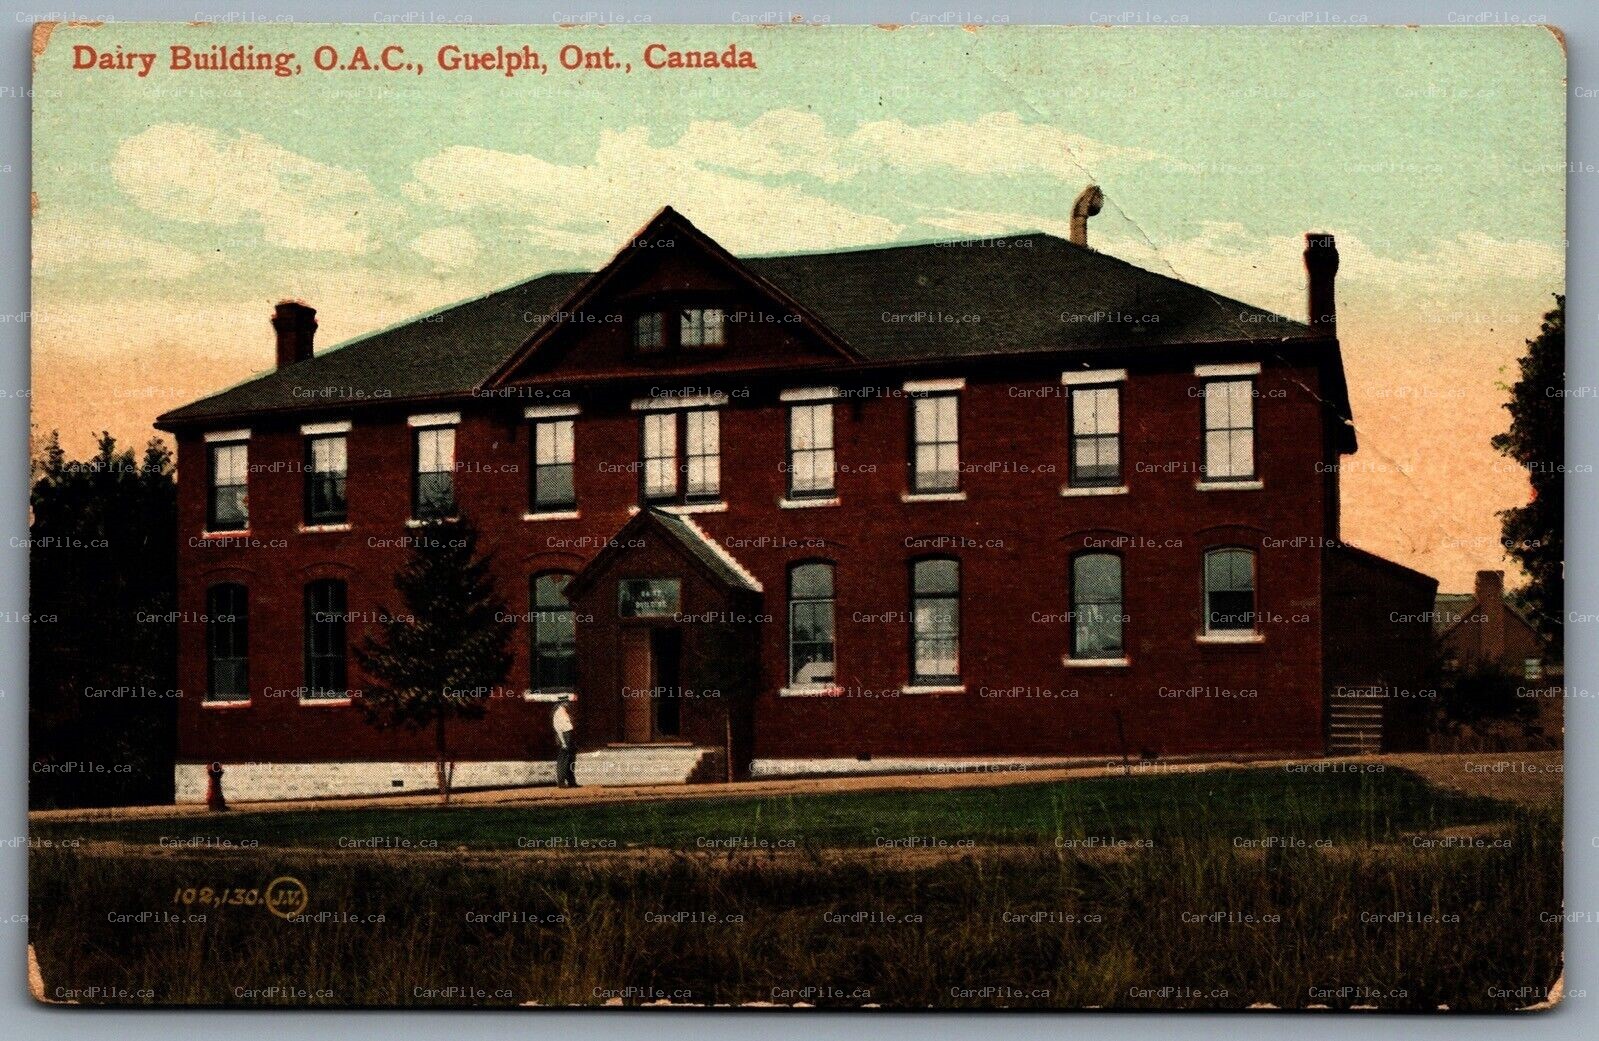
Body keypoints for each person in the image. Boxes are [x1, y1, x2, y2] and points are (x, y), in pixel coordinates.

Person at [552, 695, 579, 788]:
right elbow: (559, 729)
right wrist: (563, 742)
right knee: (563, 760)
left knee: (571, 759)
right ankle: (561, 781)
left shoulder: (565, 712)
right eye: (566, 702)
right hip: (564, 736)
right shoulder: (558, 713)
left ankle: (571, 781)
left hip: (569, 735)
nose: (568, 704)